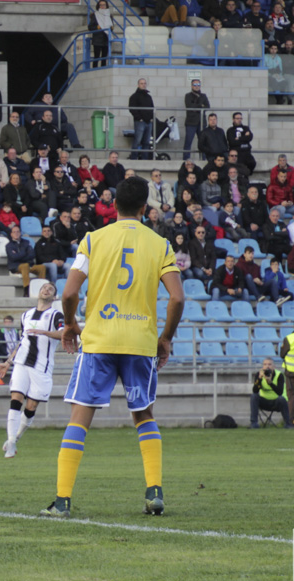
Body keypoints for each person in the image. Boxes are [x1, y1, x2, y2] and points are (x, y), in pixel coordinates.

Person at [42, 176, 184, 518]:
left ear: (115, 205)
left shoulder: (93, 240)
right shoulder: (160, 244)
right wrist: (165, 338)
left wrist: (72, 324)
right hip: (140, 341)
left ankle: (62, 501)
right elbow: (177, 297)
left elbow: (69, 293)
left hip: (100, 339)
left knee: (80, 417)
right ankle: (154, 493)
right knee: (144, 416)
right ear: (143, 208)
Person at [0, 282, 63, 458]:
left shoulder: (56, 315)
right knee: (16, 398)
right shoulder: (26, 315)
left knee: (31, 405)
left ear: (54, 297)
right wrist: (8, 362)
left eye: (50, 289)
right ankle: (10, 441)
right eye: (44, 288)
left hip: (42, 367)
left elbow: (63, 334)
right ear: (38, 292)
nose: (46, 290)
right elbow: (22, 341)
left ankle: (15, 438)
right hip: (21, 363)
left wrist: (43, 332)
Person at [249, 357, 294, 428]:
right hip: (264, 401)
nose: (267, 366)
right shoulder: (259, 374)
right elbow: (255, 391)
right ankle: (254, 423)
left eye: (269, 364)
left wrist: (270, 383)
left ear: (274, 366)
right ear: (263, 366)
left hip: (276, 402)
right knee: (254, 396)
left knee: (282, 399)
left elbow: (279, 392)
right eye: (265, 364)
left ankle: (288, 424)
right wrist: (259, 379)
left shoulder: (279, 375)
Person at [6, 225, 46, 297]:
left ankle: (41, 288)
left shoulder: (26, 242)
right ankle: (26, 290)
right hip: (16, 266)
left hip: (28, 265)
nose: (16, 233)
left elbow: (32, 254)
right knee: (25, 266)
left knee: (42, 267)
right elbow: (13, 257)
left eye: (18, 231)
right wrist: (24, 253)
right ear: (11, 234)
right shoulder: (9, 245)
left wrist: (20, 255)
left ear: (20, 233)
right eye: (14, 232)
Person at [128, 78, 154, 160]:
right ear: (138, 85)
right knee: (137, 141)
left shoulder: (149, 96)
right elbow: (132, 108)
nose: (143, 85)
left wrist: (151, 118)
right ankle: (134, 158)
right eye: (141, 83)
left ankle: (145, 159)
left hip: (148, 122)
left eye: (144, 83)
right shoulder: (134, 96)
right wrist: (139, 118)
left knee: (146, 142)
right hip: (140, 122)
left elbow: (152, 108)